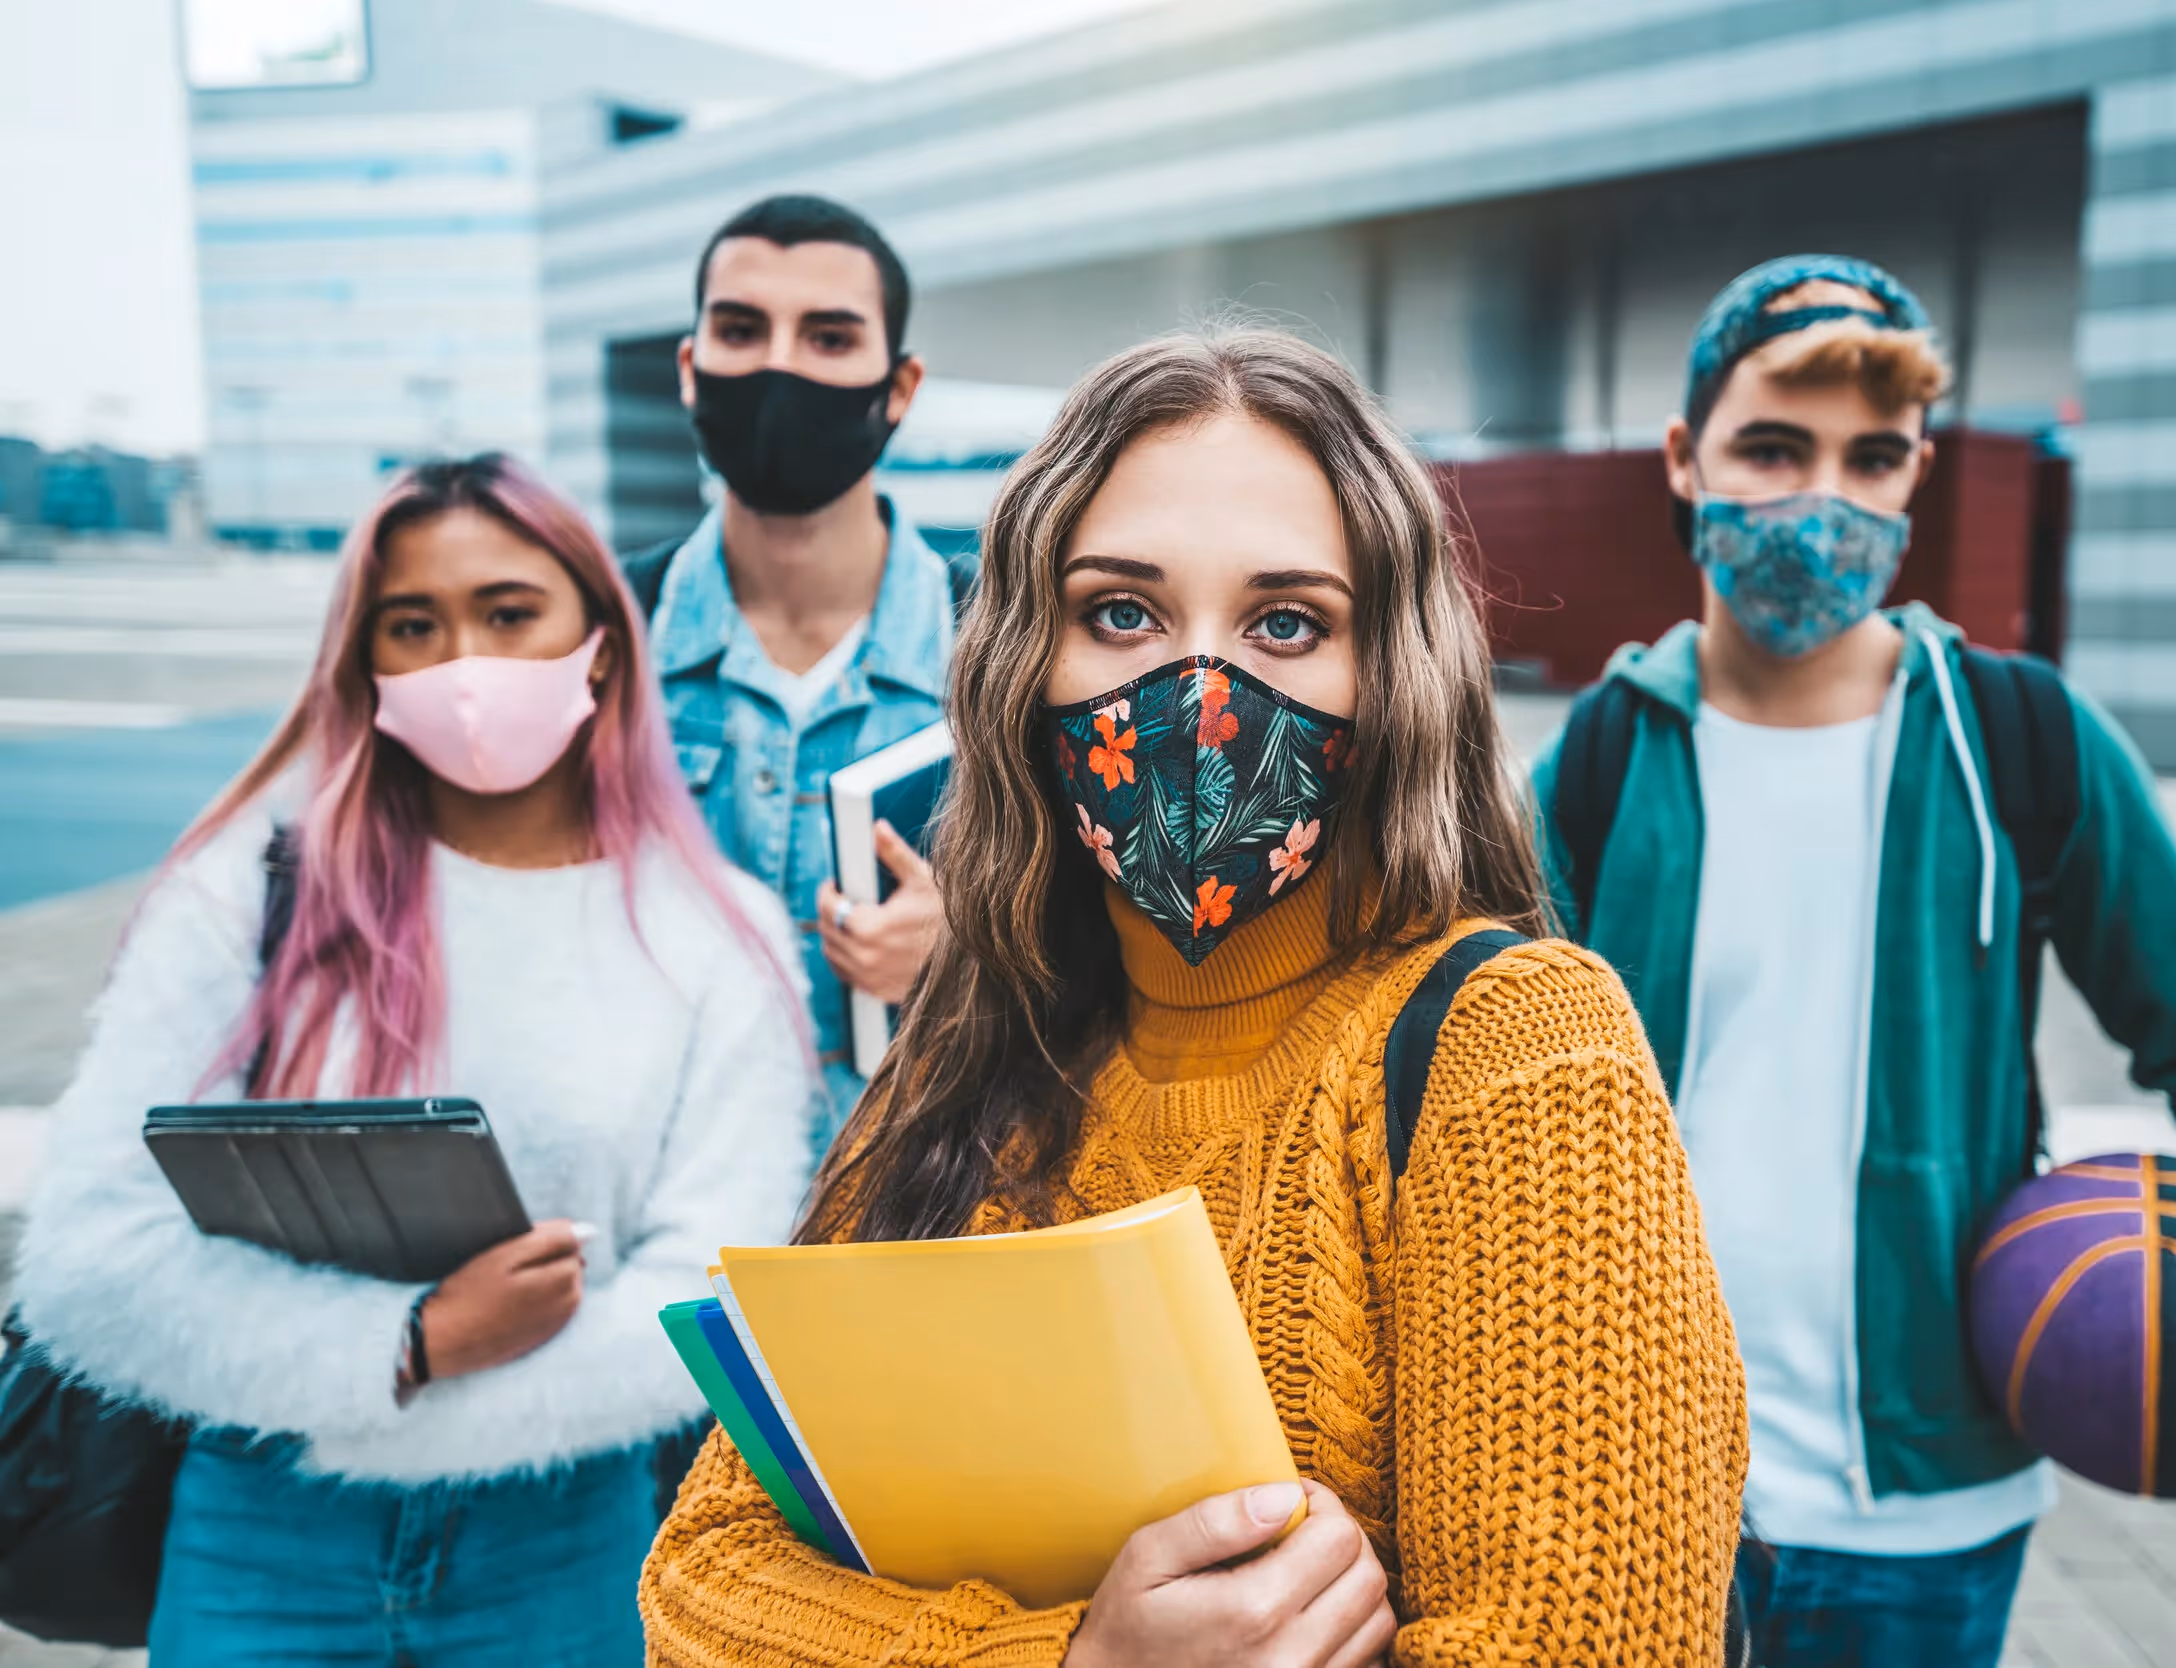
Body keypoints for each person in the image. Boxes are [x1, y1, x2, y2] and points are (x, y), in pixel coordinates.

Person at [638, 328, 1750, 1665]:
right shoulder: (969, 1046)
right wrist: (1073, 1660)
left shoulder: (1509, 1048)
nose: (1201, 695)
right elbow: (701, 1582)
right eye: (1122, 613)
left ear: (1389, 679)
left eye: (1287, 623)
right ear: (1023, 668)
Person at [1528, 254, 2176, 1667]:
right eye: (1771, 448)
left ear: (1917, 476)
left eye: (1870, 458)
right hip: (1626, 1492)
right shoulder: (1599, 759)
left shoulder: (2020, 737)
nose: (1821, 499)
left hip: (1924, 1514)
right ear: (1682, 459)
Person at [11, 454, 817, 1665]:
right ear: (366, 664)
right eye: (412, 625)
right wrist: (414, 1342)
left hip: (566, 1544)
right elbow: (90, 1262)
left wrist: (415, 1387)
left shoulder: (718, 934)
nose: (464, 663)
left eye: (509, 612)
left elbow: (711, 1292)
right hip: (259, 1530)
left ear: (601, 645)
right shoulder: (248, 894)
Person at [638, 192, 962, 1145]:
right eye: (742, 330)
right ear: (691, 368)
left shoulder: (1005, 646)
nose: (780, 366)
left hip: (917, 1197)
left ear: (899, 387)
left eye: (829, 337)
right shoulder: (602, 642)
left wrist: (971, 955)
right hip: (671, 1200)